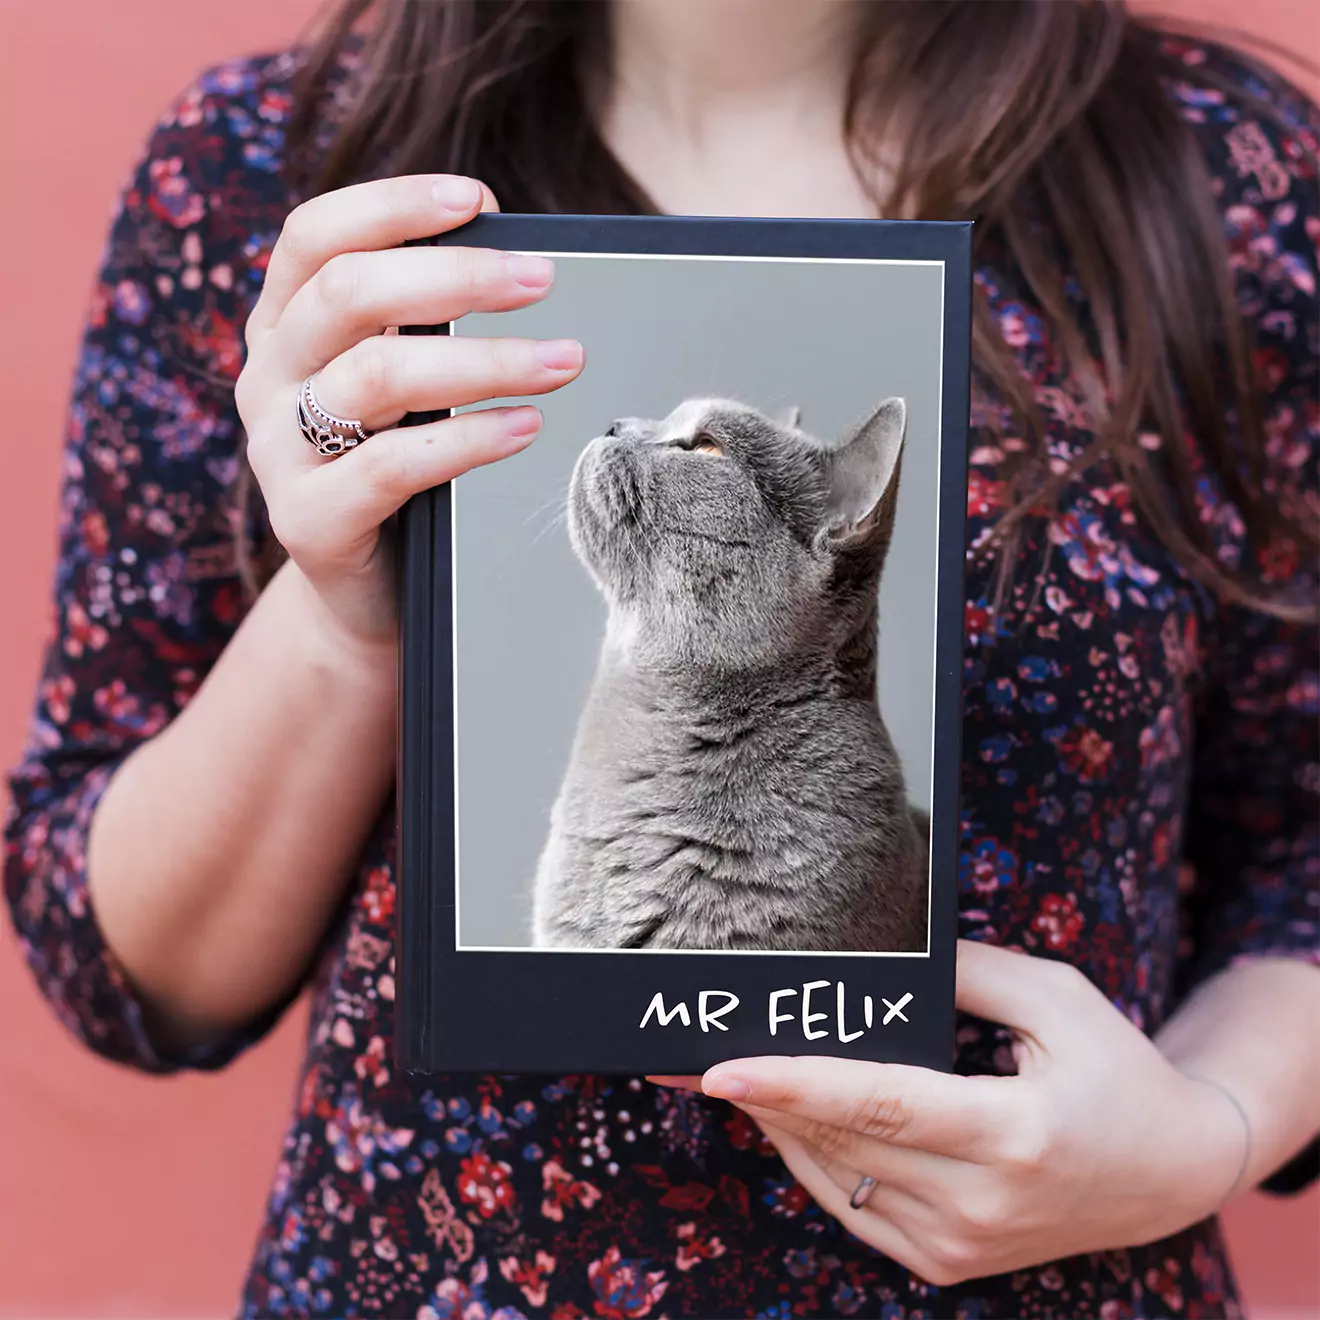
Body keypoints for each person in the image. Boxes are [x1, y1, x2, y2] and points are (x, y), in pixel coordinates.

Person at [5, 1, 1318, 1315]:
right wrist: (341, 611)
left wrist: (1214, 1132)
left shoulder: (1223, 178)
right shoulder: (274, 165)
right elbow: (126, 968)